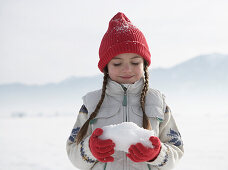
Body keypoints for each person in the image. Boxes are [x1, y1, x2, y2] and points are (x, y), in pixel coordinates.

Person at [66, 12, 184, 170]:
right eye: (117, 63)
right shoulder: (91, 103)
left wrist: (157, 154)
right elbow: (73, 151)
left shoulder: (157, 101)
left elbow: (176, 150)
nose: (127, 69)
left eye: (135, 62)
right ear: (106, 67)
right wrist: (90, 149)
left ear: (145, 65)